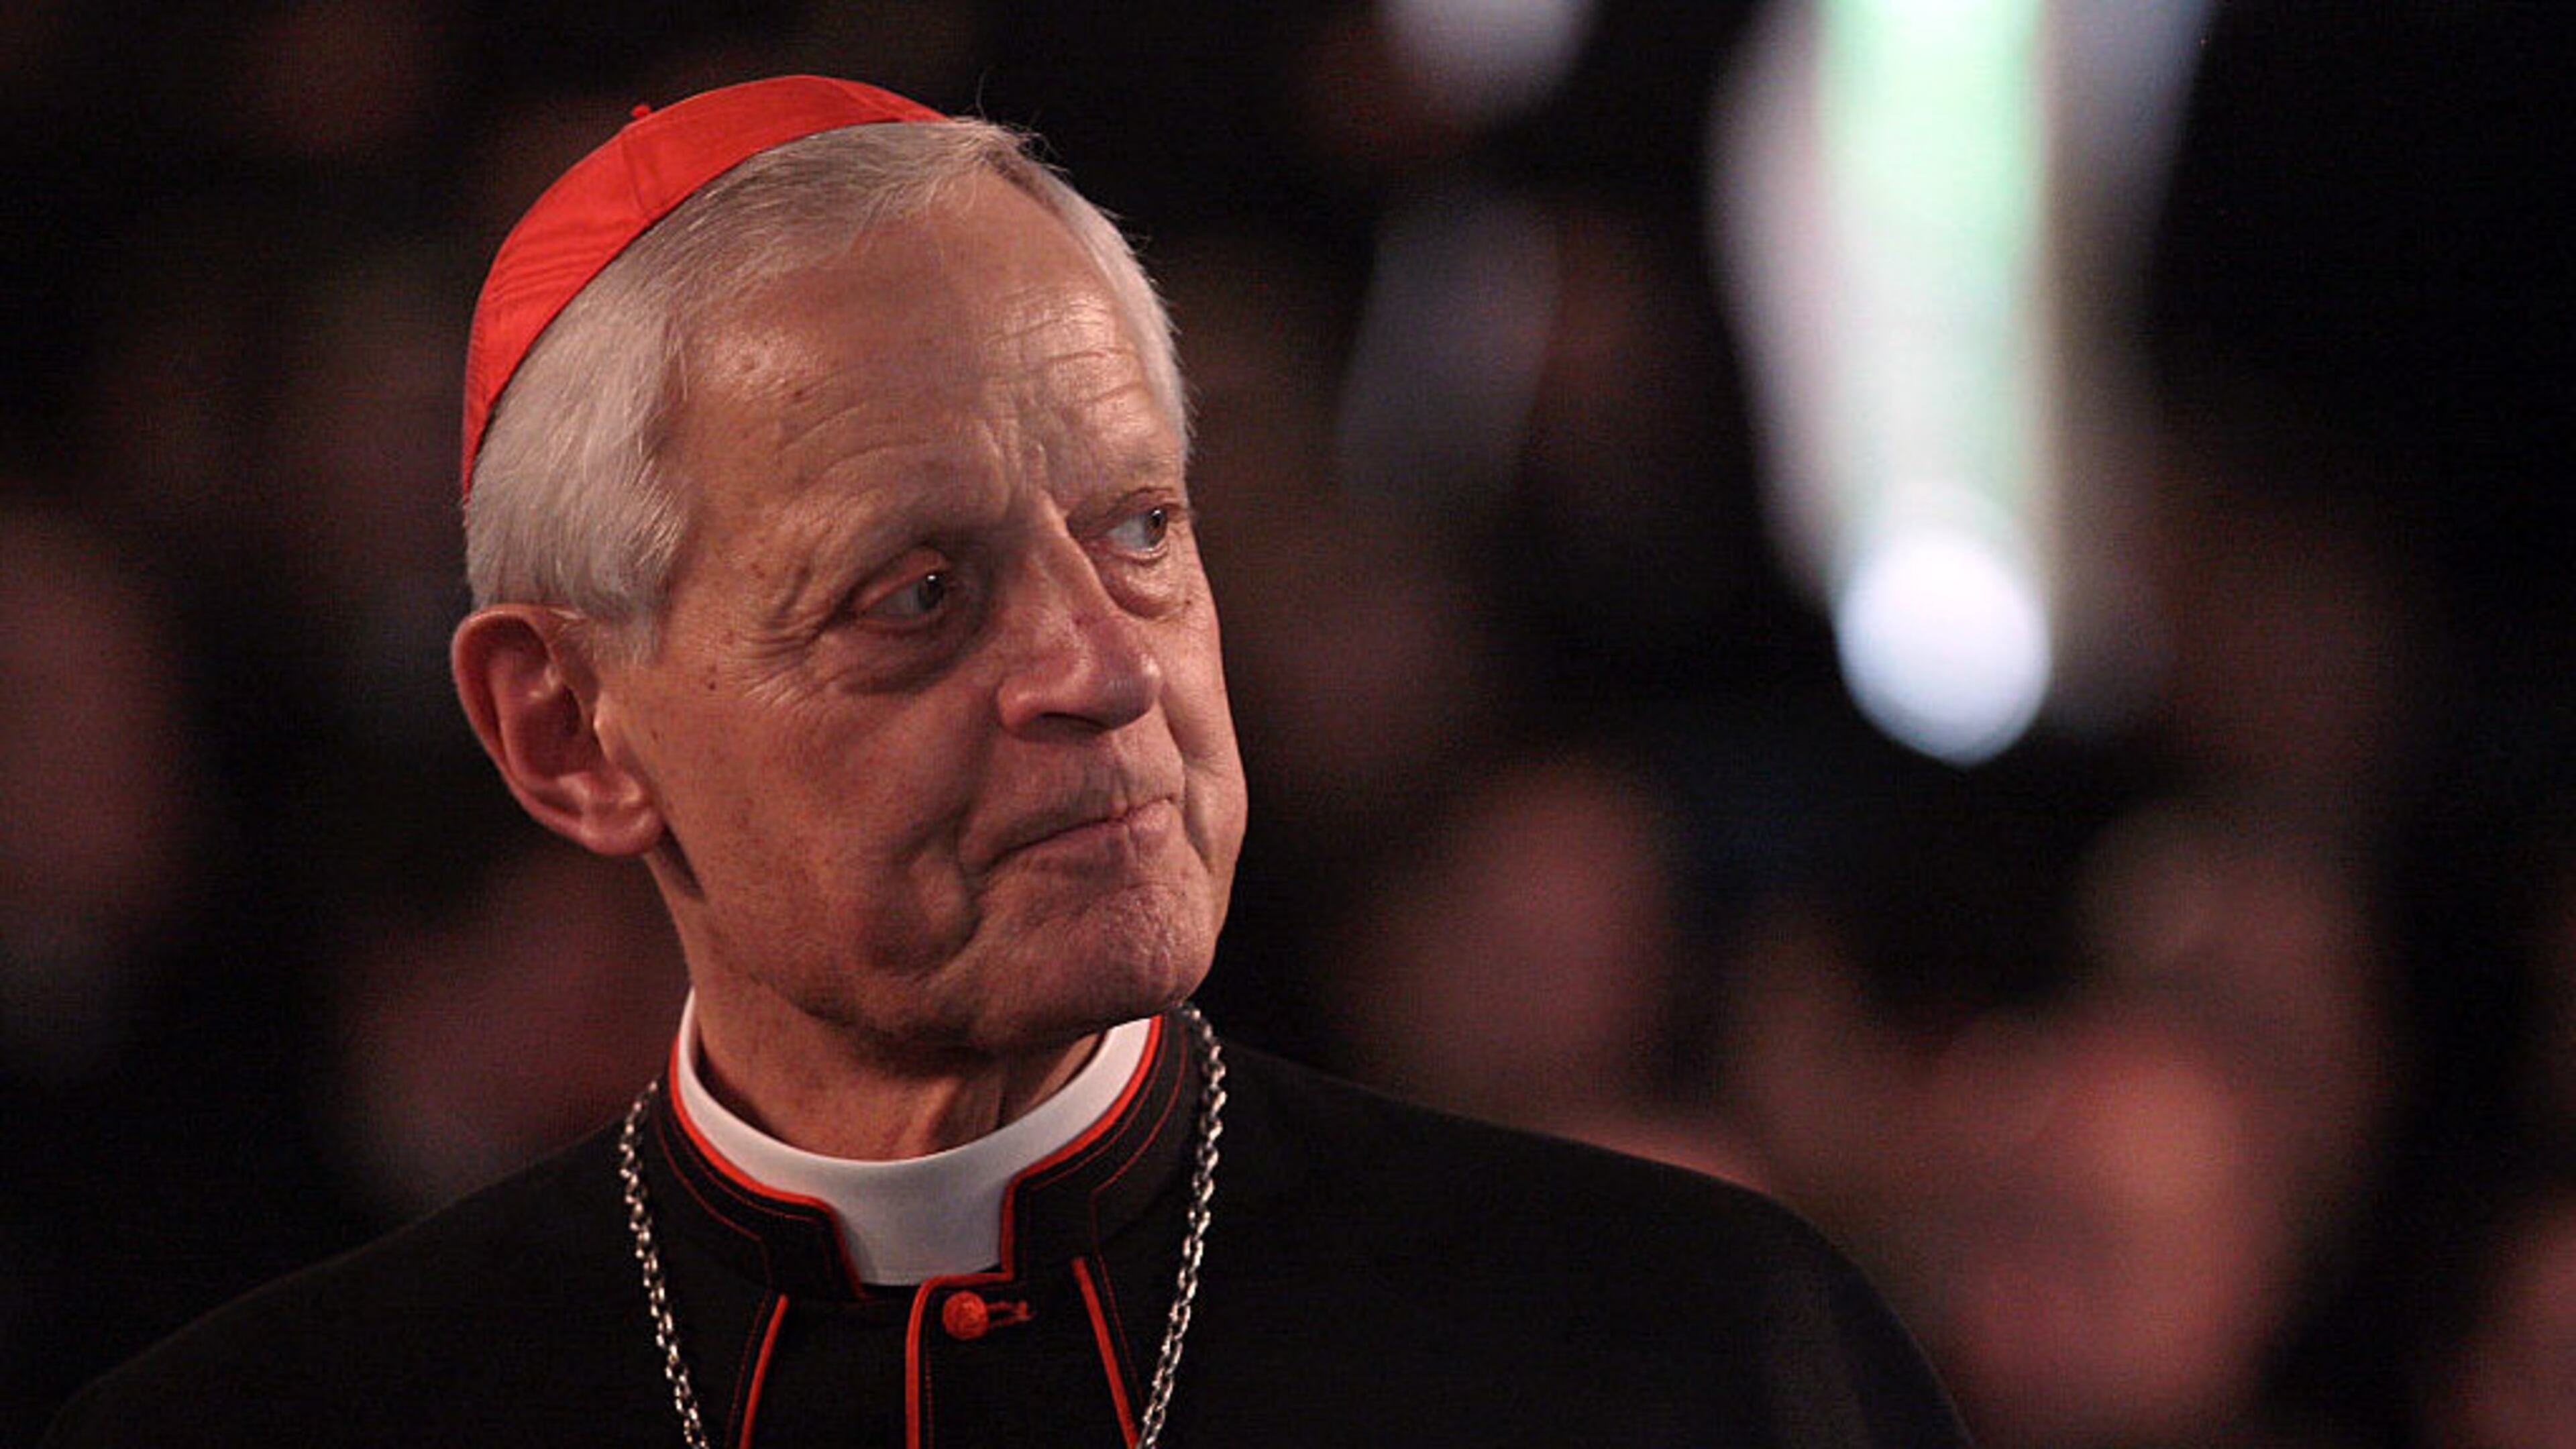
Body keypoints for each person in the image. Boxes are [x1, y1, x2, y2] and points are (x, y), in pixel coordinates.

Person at [42, 75, 1966, 1448]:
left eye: (1139, 528)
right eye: (916, 590)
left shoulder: (1690, 1352)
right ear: (570, 732)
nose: (1099, 668)